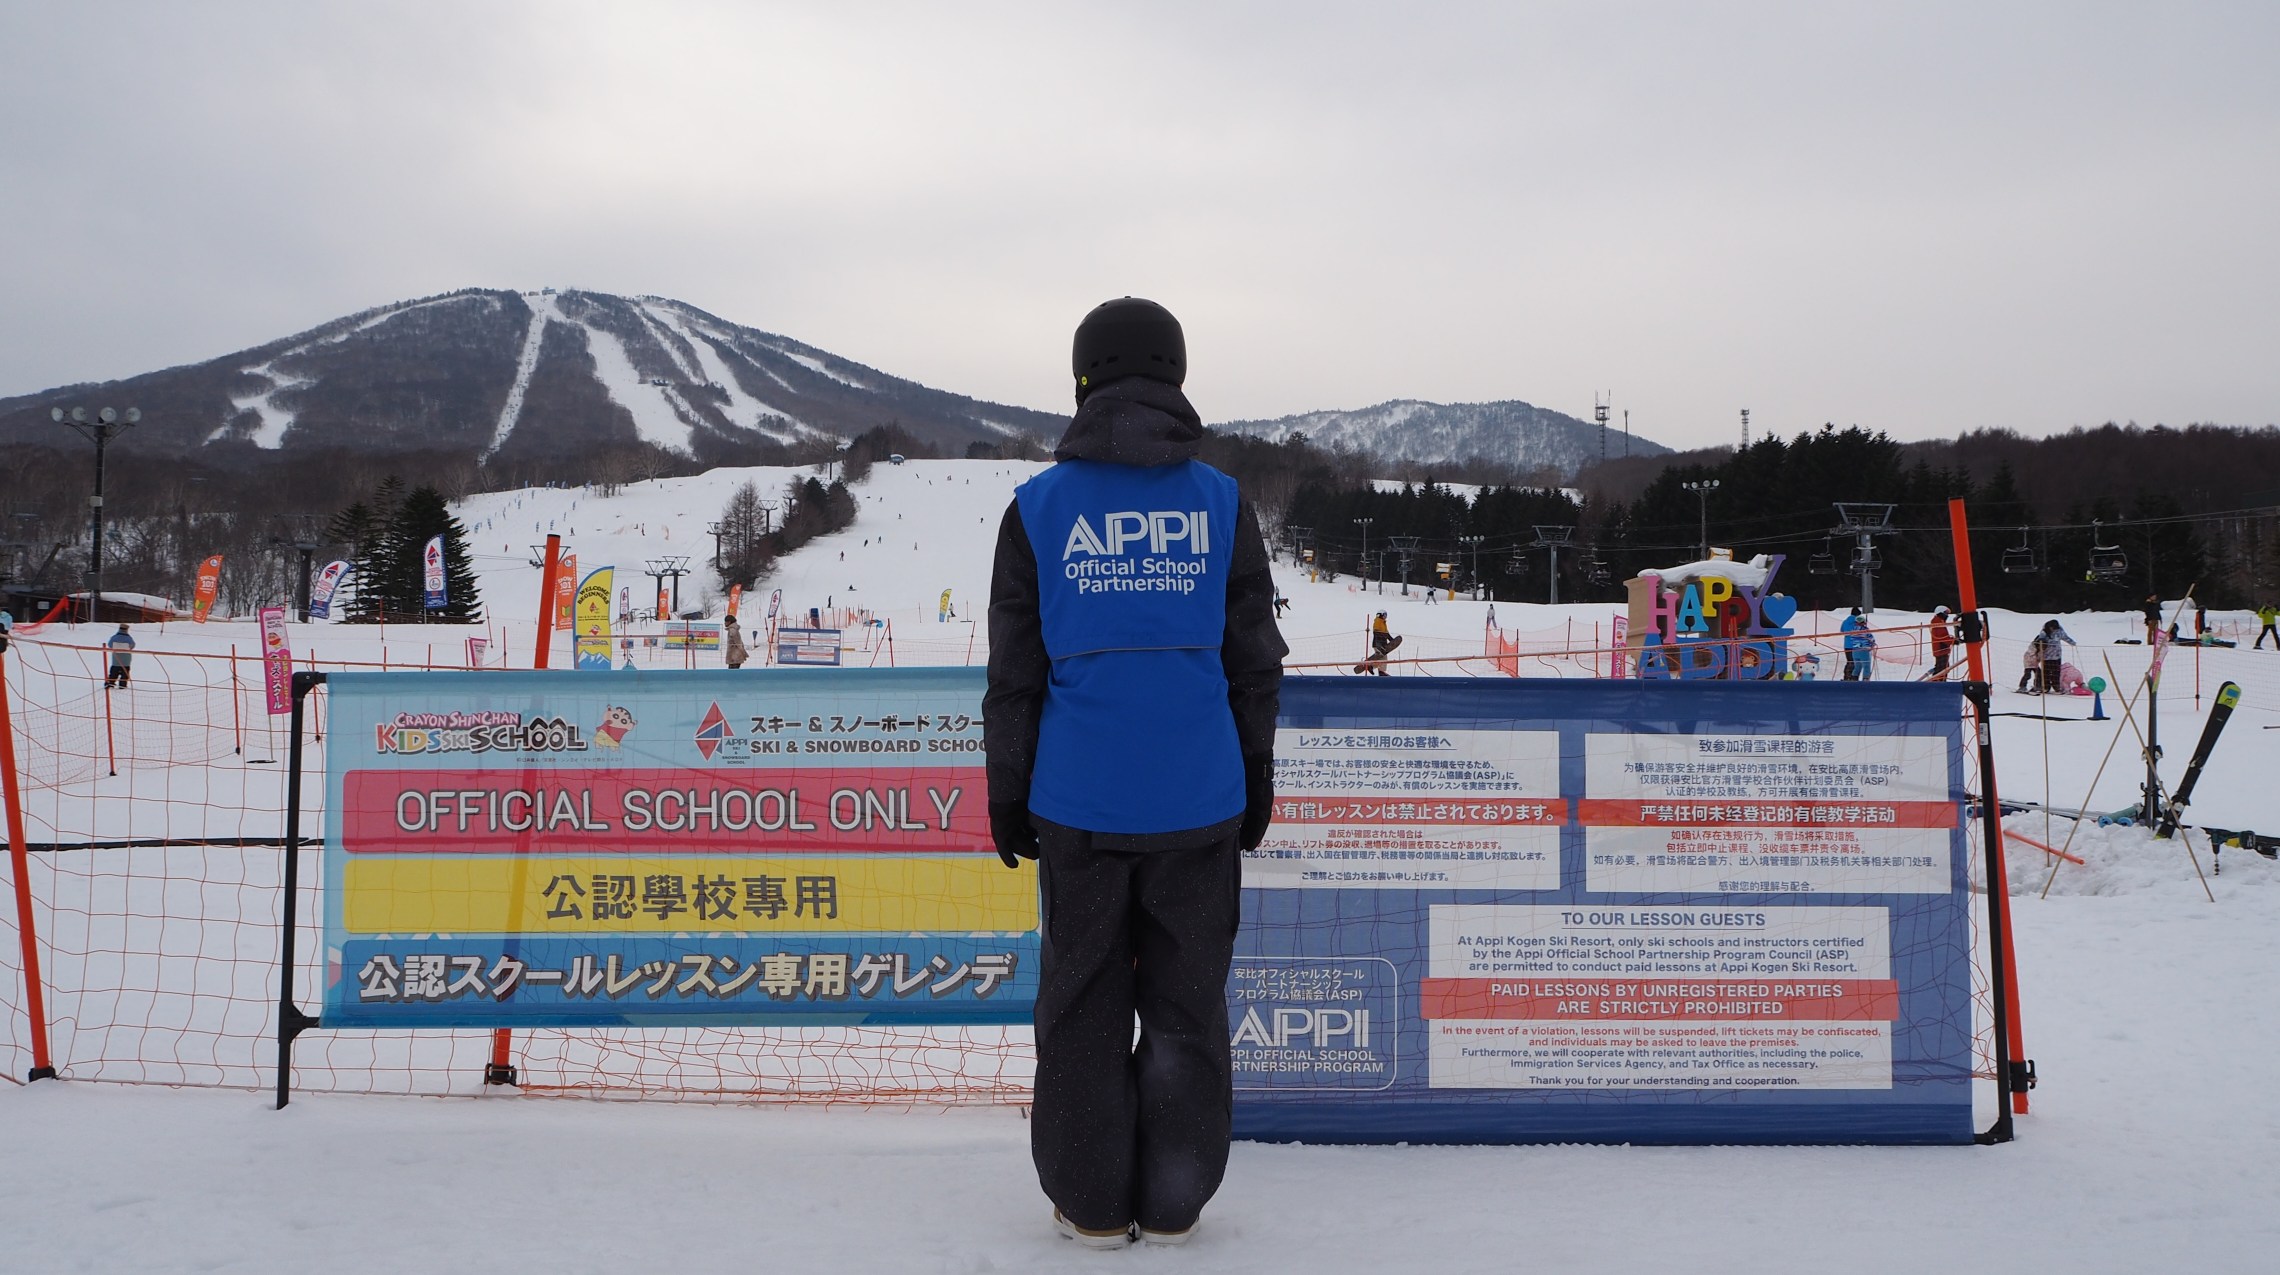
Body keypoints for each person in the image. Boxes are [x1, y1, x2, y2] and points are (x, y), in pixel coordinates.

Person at [982, 297, 1285, 1250]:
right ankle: (1174, 1199)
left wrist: (1008, 788)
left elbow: (1016, 674)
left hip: (1079, 804)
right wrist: (1257, 773)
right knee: (1187, 1005)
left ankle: (1094, 1201)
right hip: (1200, 800)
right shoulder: (1223, 504)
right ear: (1175, 376)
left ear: (1082, 381)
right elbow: (1253, 661)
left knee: (1083, 1006)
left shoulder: (1037, 510)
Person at [2029, 619, 2077, 695]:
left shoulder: (2060, 631)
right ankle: (2046, 687)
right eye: (2051, 628)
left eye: (2054, 628)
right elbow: (2040, 640)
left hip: (2057, 655)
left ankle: (2056, 687)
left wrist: (2072, 643)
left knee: (2056, 672)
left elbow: (2065, 637)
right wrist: (2040, 645)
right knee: (2046, 672)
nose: (2052, 629)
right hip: (2046, 656)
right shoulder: (2044, 632)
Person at [1840, 608, 1875, 682]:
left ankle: (1848, 677)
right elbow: (1870, 638)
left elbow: (1842, 630)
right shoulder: (1864, 629)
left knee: (1850, 662)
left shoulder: (1845, 622)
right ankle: (1865, 679)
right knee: (1865, 664)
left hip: (1848, 645)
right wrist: (1872, 644)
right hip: (1862, 648)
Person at [1926, 606, 1954, 681]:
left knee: (1942, 668)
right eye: (1946, 613)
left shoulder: (1939, 621)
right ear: (1941, 613)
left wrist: (1952, 640)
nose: (1947, 616)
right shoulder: (1938, 623)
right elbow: (1942, 636)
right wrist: (1952, 641)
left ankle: (1939, 682)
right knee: (1942, 669)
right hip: (1941, 649)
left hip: (1942, 649)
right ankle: (1937, 683)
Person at [104, 622, 135, 688]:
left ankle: (111, 682)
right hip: (126, 660)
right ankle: (122, 685)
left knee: (114, 672)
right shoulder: (129, 638)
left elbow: (110, 644)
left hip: (116, 659)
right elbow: (132, 645)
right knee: (125, 673)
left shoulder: (114, 637)